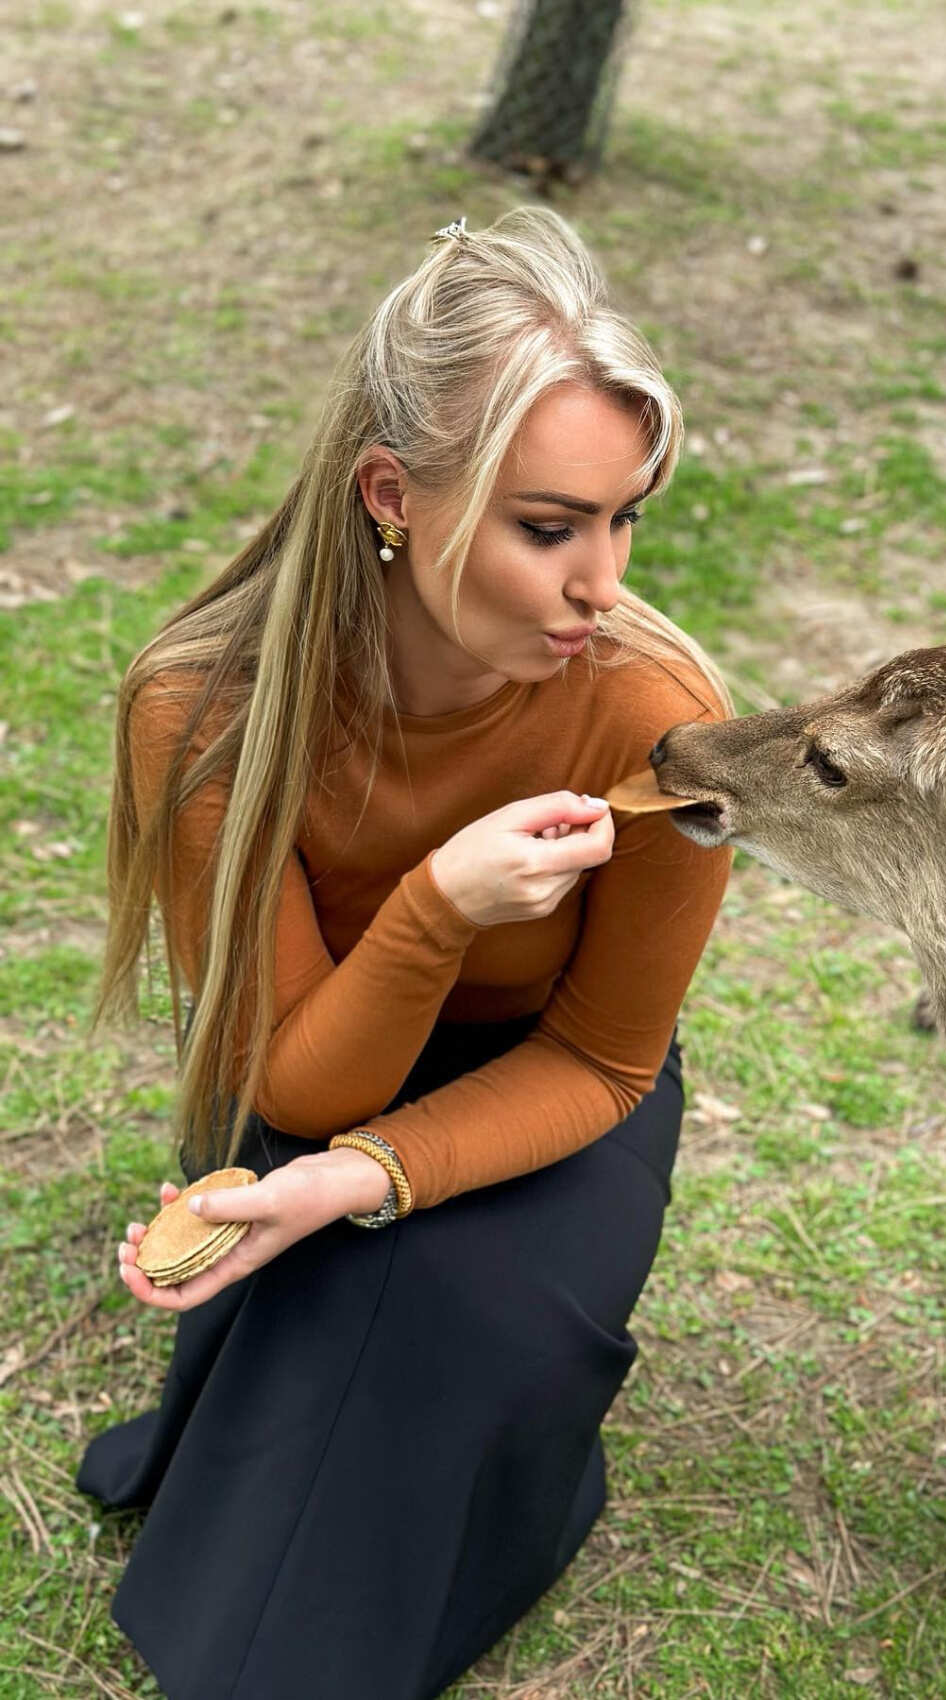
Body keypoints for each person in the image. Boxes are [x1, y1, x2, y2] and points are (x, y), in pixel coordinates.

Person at [76, 205, 734, 1700]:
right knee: (328, 1344)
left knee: (458, 1324)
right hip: (329, 1051)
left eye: (627, 519)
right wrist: (438, 906)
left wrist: (345, 1186)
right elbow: (304, 1089)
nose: (602, 584)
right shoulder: (207, 708)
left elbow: (607, 1053)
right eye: (550, 527)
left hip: (555, 1087)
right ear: (394, 494)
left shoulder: (658, 711)